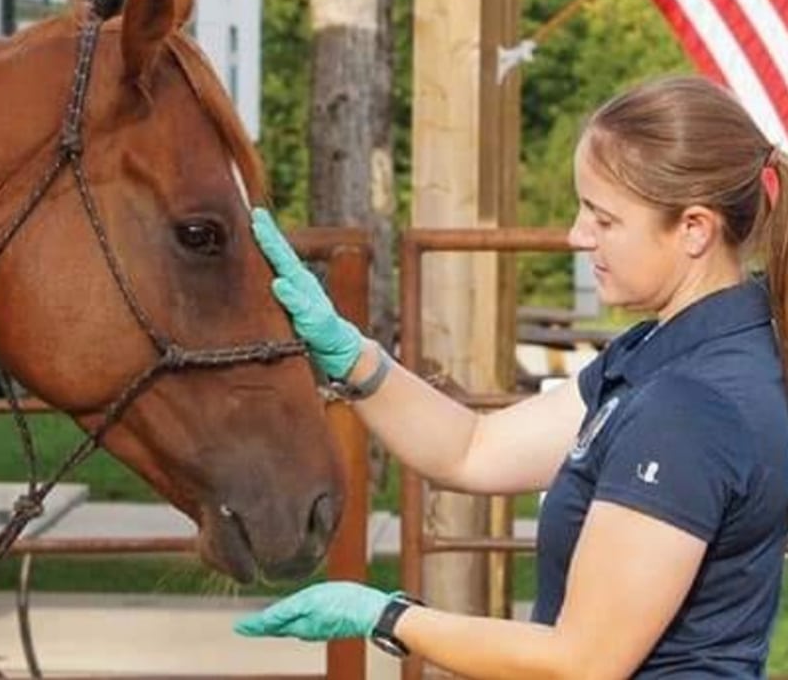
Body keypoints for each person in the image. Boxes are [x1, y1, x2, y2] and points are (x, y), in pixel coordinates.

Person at [234, 75, 788, 679]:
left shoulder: (688, 410)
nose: (579, 236)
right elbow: (476, 448)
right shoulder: (683, 351)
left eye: (604, 220)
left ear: (694, 230)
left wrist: (386, 616)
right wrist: (353, 357)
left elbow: (581, 663)